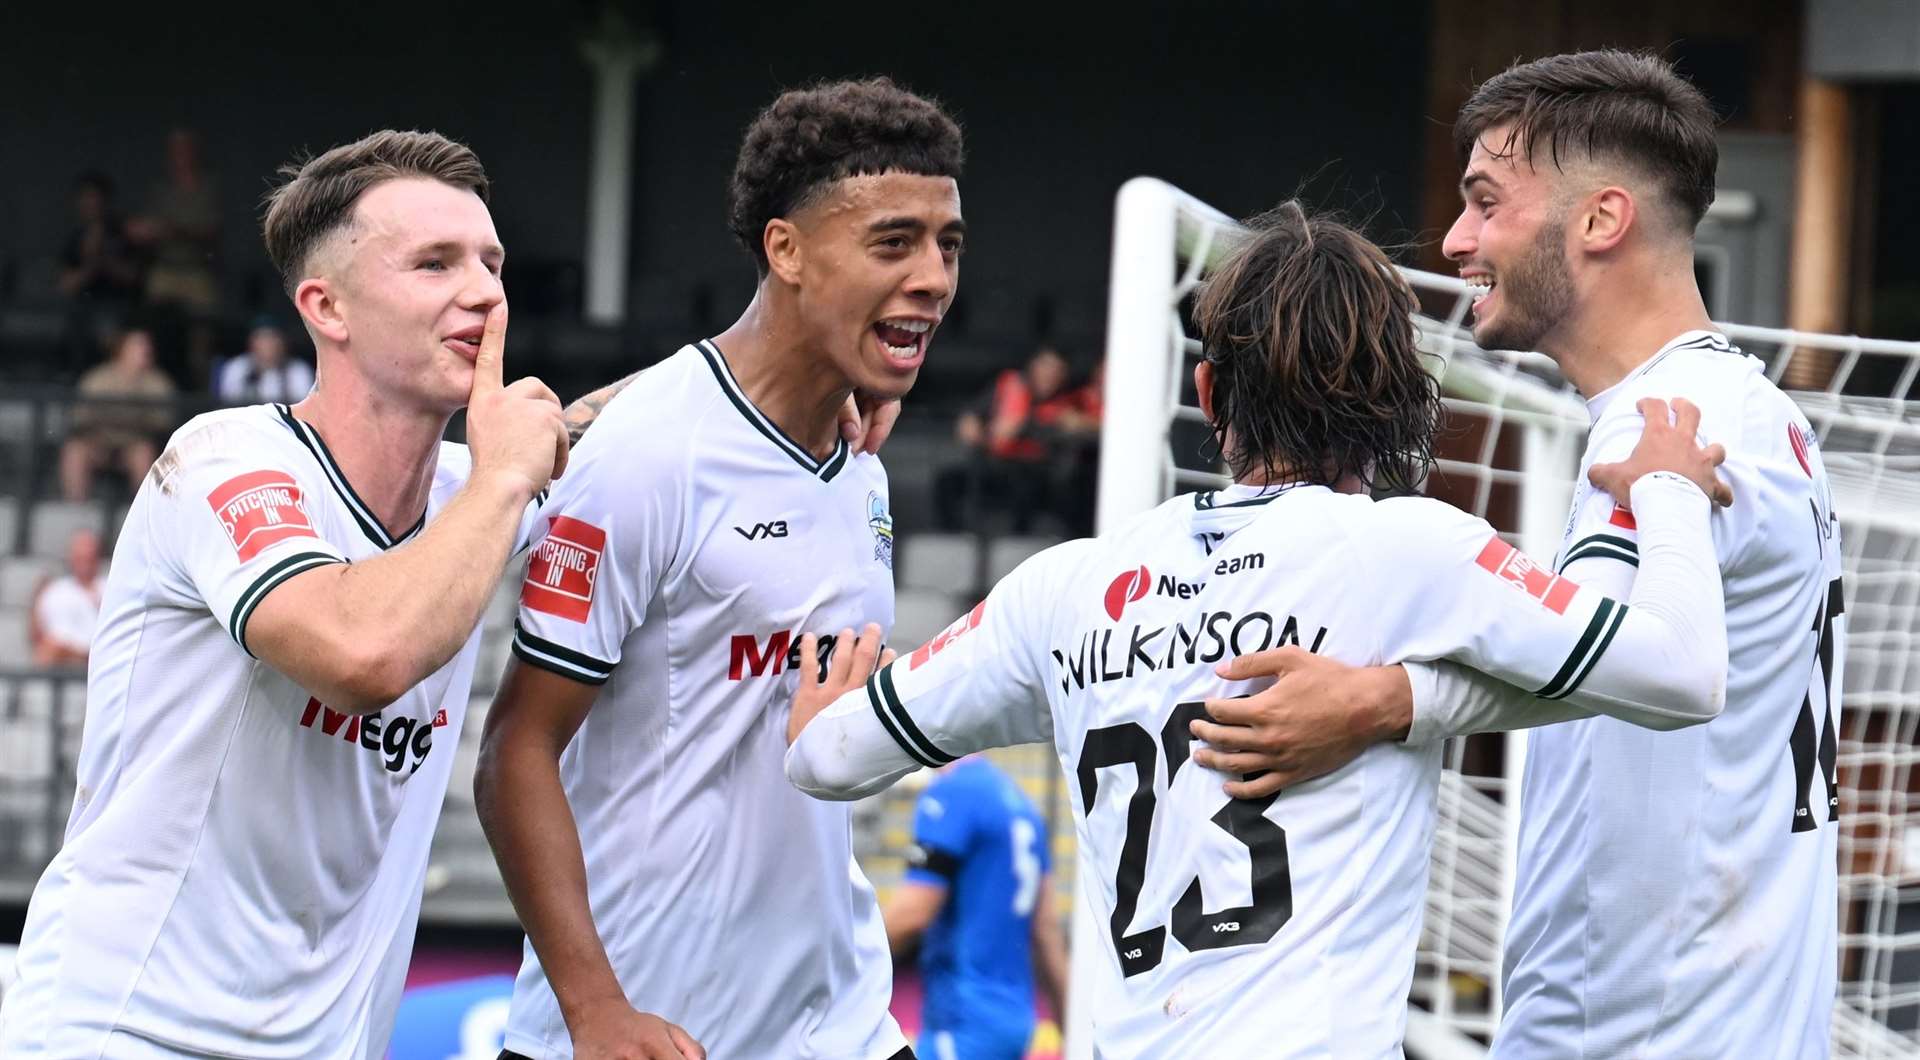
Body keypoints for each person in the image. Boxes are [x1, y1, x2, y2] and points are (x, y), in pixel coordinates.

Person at [783, 204, 1734, 1058]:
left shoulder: (1065, 586)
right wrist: (1667, 493)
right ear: (1399, 392)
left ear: (1207, 389)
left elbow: (825, 758)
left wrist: (830, 679)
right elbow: (1682, 672)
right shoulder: (1408, 552)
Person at [1191, 51, 1847, 1059]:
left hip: (1648, 1031)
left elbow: (1606, 661)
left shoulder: (1669, 430)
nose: (1456, 241)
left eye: (1487, 203)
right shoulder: (1751, 415)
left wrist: (1372, 702)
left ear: (1600, 220)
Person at [0, 129, 572, 1059]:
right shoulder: (225, 462)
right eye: (435, 262)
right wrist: (506, 483)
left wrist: (810, 376)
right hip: (130, 1032)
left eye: (491, 262)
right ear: (326, 307)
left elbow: (626, 426)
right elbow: (364, 655)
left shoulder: (477, 487)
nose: (484, 290)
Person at [474, 77, 964, 1060]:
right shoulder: (650, 453)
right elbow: (513, 755)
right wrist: (594, 1013)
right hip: (649, 1029)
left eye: (947, 243)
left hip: (839, 1025)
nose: (935, 277)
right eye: (893, 242)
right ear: (786, 249)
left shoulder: (858, 457)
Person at [887, 755, 1069, 1060]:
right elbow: (1046, 932)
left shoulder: (952, 793)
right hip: (1016, 1024)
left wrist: (846, 965)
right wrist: (1072, 1029)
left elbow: (913, 913)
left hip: (963, 1024)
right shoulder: (1023, 807)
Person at [58, 327, 177, 501]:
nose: (145, 350)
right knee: (74, 451)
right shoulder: (99, 378)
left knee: (143, 454)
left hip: (134, 444)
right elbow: (79, 416)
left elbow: (163, 422)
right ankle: (76, 509)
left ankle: (142, 511)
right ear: (122, 349)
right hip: (98, 443)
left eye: (147, 346)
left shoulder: (157, 382)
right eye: (138, 345)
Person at [28, 528, 104, 668]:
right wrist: (35, 601)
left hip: (96, 657)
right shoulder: (54, 590)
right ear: (71, 557)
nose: (84, 560)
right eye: (79, 556)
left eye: (89, 555)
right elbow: (37, 636)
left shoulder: (109, 588)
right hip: (58, 658)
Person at [215, 319, 315, 403]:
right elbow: (227, 405)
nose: (268, 345)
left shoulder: (298, 371)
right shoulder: (237, 368)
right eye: (262, 338)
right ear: (251, 342)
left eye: (273, 338)